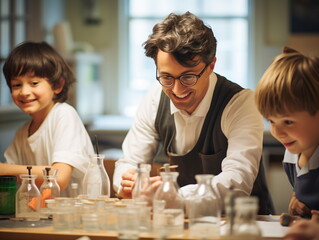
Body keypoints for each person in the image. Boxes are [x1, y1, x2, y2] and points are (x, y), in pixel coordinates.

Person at [113, 12, 274, 214]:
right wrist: (129, 183)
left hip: (245, 224)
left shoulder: (240, 103)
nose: (178, 90)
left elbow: (237, 182)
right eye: (167, 78)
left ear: (211, 66)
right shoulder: (154, 98)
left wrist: (174, 198)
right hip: (184, 224)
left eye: (188, 77)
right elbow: (128, 163)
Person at [0, 41, 95, 196]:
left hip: (75, 216)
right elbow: (10, 180)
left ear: (57, 85)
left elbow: (60, 177)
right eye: (16, 85)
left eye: (34, 83)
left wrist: (3, 170)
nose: (24, 92)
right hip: (43, 216)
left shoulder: (64, 115)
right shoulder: (22, 133)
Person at [255, 47, 319, 218]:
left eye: (288, 122)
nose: (277, 132)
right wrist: (296, 200)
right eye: (271, 121)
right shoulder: (293, 155)